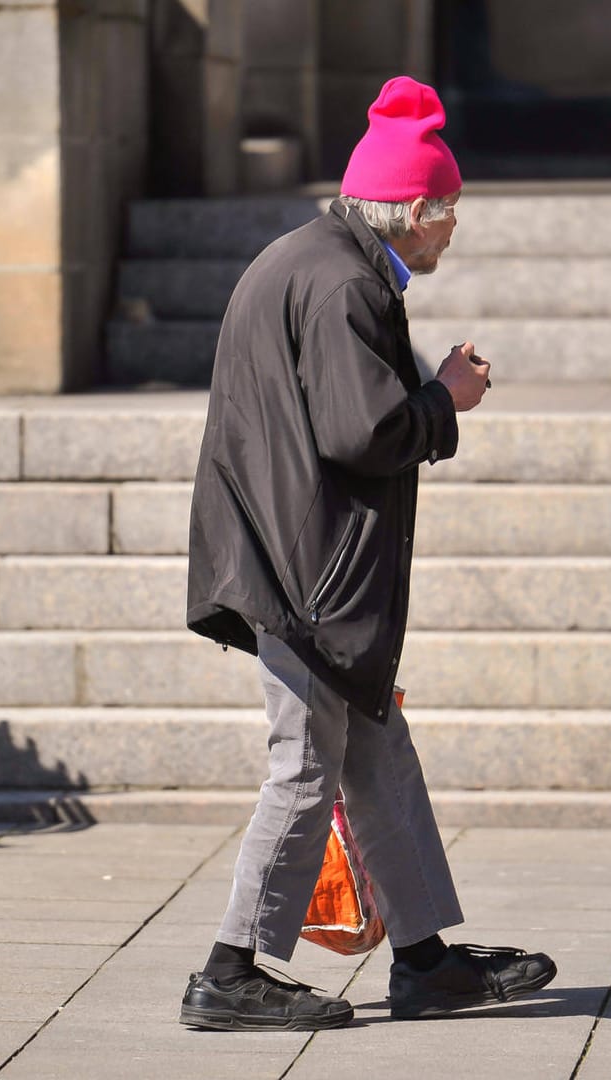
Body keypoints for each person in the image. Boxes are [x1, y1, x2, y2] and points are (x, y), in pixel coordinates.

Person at [179, 75, 556, 1031]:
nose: (454, 229)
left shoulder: (314, 260)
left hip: (300, 560)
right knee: (305, 770)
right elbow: (365, 432)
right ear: (415, 211)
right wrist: (447, 399)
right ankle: (228, 971)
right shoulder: (344, 280)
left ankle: (425, 960)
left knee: (380, 758)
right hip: (306, 577)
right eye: (450, 212)